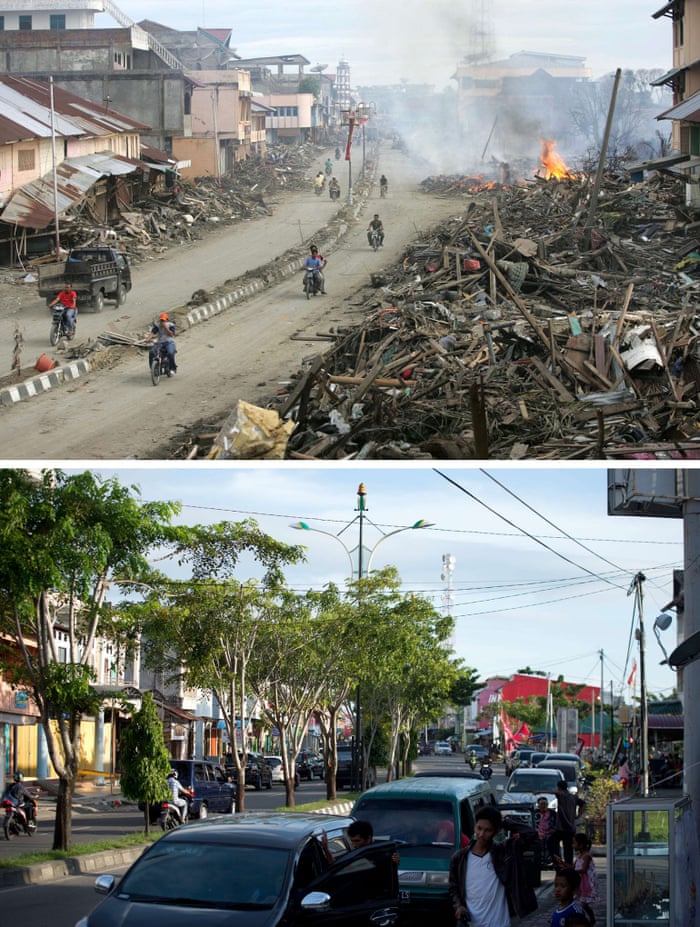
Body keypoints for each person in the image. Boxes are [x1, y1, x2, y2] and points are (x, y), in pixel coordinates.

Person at [448, 805, 538, 927]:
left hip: (499, 923)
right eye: (479, 828)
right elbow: (454, 887)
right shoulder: (460, 858)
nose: (481, 834)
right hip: (470, 923)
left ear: (496, 831)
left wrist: (505, 823)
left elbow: (531, 834)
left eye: (488, 830)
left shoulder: (504, 852)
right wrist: (458, 907)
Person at [556, 832, 599, 924]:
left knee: (584, 904)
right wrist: (562, 863)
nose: (572, 845)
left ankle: (591, 919)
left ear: (581, 845)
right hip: (580, 882)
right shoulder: (579, 856)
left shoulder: (587, 856)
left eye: (574, 843)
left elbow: (583, 869)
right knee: (581, 902)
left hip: (586, 882)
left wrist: (572, 870)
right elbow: (573, 867)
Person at [547, 780, 586, 868]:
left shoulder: (562, 795)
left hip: (562, 827)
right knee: (568, 848)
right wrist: (579, 815)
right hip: (570, 828)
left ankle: (557, 861)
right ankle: (568, 865)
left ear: (559, 787)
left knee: (551, 841)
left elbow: (556, 792)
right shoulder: (573, 797)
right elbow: (583, 804)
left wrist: (539, 792)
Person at [535, 795, 556, 867]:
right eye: (541, 804)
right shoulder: (535, 813)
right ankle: (540, 860)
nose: (543, 806)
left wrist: (553, 830)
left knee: (550, 840)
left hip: (549, 833)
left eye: (545, 804)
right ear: (538, 805)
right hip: (538, 833)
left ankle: (549, 860)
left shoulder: (552, 813)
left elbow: (556, 823)